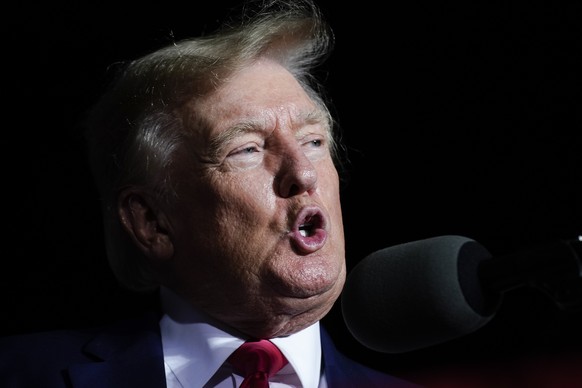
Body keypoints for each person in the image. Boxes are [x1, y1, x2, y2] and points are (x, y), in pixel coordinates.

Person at [0, 0, 422, 387]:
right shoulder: (20, 373)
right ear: (152, 221)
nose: (304, 173)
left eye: (312, 140)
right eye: (247, 149)